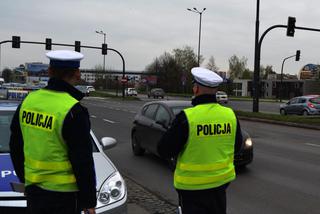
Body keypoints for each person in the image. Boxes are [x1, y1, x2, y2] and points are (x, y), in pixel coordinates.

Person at [9, 50, 96, 214]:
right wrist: (89, 201)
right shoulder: (73, 110)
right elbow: (82, 161)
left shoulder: (29, 101)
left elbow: (15, 146)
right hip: (64, 197)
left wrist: (25, 180)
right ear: (77, 74)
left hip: (34, 191)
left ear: (49, 72)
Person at [157, 67, 243, 214]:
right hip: (221, 185)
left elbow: (164, 150)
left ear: (196, 89)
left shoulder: (187, 117)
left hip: (192, 190)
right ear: (215, 91)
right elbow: (237, 145)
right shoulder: (229, 115)